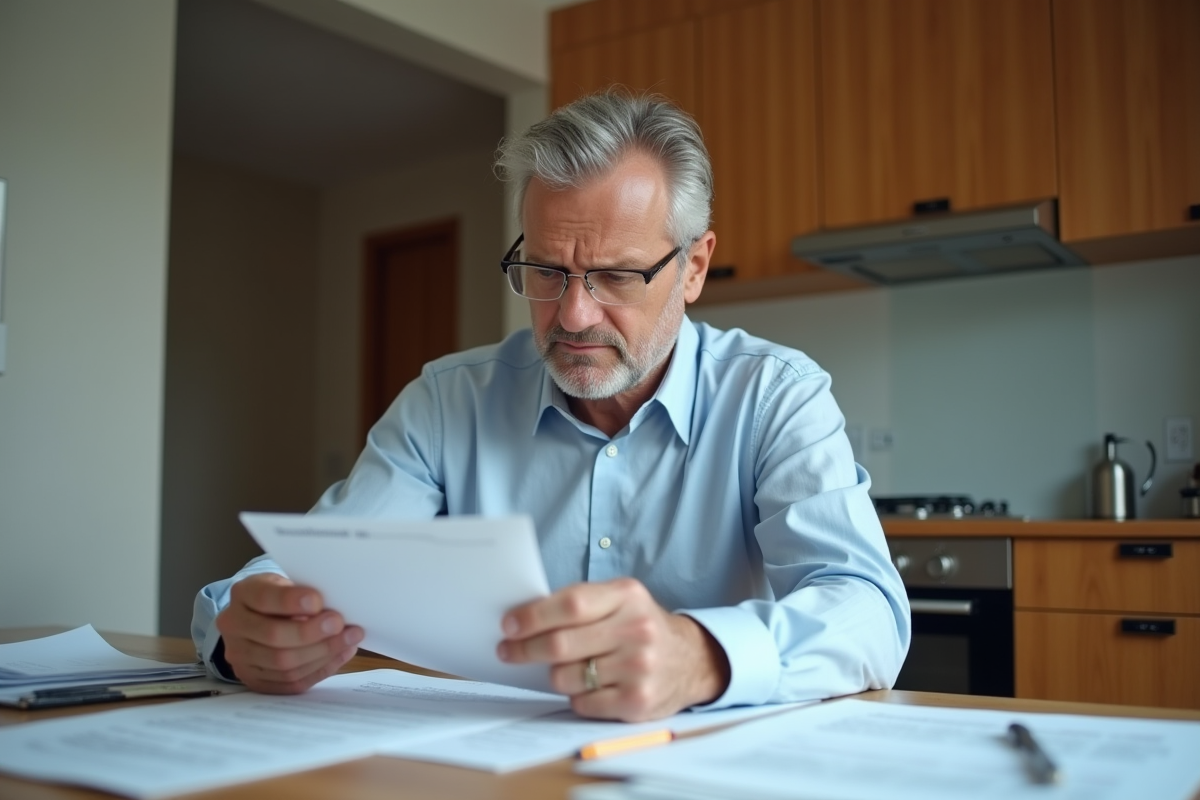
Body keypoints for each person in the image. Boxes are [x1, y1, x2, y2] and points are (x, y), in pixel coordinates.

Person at [192, 90, 910, 723]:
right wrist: (247, 626)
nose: (572, 315)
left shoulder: (775, 396)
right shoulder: (447, 401)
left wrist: (702, 656)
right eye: (545, 270)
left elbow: (868, 609)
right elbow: (318, 566)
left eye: (616, 276)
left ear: (693, 268)